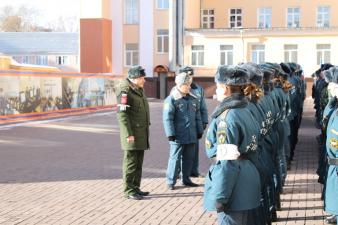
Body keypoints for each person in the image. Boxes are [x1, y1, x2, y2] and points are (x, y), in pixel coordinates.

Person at [204, 65, 261, 225]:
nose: (217, 90)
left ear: (227, 88)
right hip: (246, 179)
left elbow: (226, 163)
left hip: (233, 186)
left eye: (219, 86)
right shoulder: (245, 109)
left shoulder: (227, 118)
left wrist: (220, 196)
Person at [163, 71, 203, 190]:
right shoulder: (171, 100)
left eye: (189, 84)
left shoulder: (193, 99)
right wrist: (170, 134)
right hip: (178, 136)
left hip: (191, 135)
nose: (189, 87)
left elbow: (198, 116)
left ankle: (186, 179)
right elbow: (167, 118)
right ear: (179, 85)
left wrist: (199, 130)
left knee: (189, 158)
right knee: (175, 159)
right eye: (187, 85)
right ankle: (171, 181)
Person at [116, 66, 150, 200]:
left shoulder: (138, 89)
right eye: (142, 78)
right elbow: (122, 115)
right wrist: (128, 134)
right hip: (132, 134)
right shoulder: (125, 92)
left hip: (141, 132)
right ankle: (129, 190)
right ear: (134, 79)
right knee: (130, 162)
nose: (144, 80)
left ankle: (136, 188)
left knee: (138, 162)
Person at [178, 66, 208, 177]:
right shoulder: (177, 89)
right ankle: (179, 172)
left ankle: (194, 171)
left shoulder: (198, 89)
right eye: (187, 75)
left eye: (191, 75)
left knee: (194, 149)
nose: (189, 78)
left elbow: (203, 107)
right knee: (180, 150)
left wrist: (204, 120)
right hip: (181, 124)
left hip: (195, 122)